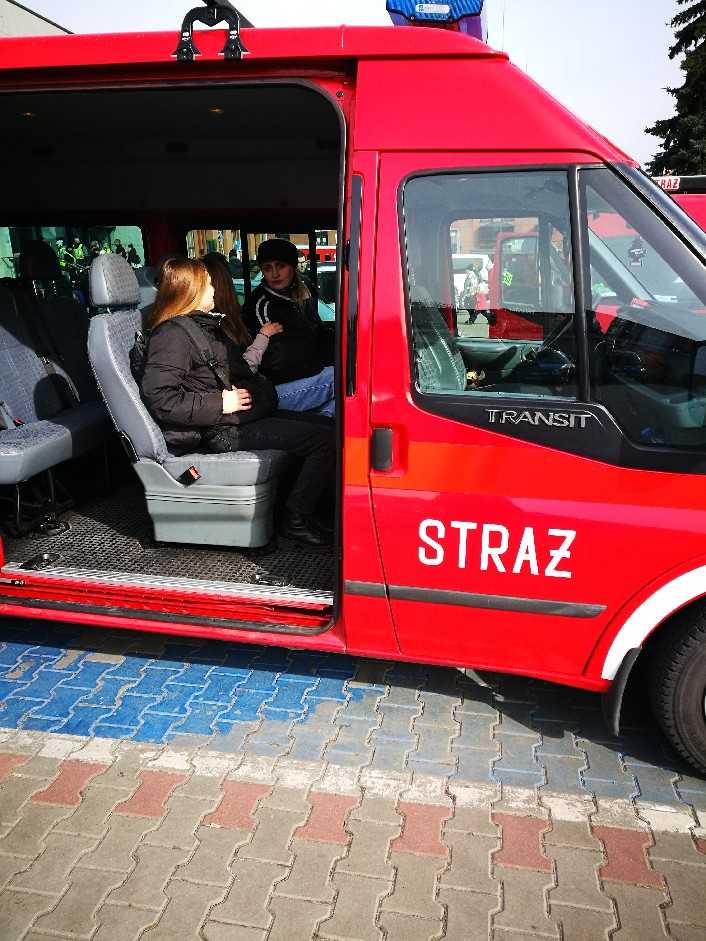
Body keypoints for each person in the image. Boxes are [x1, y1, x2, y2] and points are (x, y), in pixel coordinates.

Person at [140, 257, 334, 547]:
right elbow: (160, 398)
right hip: (223, 429)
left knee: (330, 428)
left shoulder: (202, 326)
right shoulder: (172, 335)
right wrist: (220, 403)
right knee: (326, 440)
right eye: (208, 285)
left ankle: (309, 510)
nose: (214, 291)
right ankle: (295, 520)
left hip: (244, 416)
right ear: (192, 291)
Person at [242, 239, 334, 417]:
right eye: (267, 268)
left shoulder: (304, 292)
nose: (275, 274)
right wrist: (318, 365)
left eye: (281, 266)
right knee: (344, 378)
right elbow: (278, 358)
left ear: (293, 267)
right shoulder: (261, 304)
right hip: (274, 389)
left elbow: (318, 332)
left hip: (306, 377)